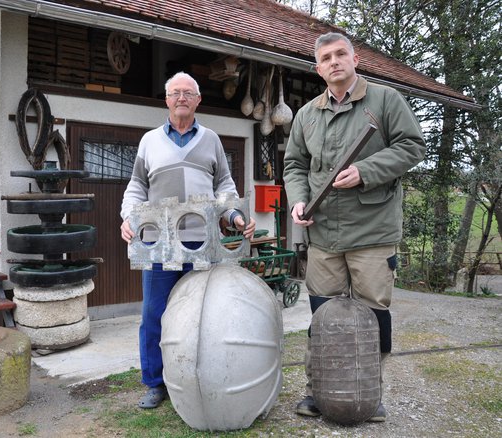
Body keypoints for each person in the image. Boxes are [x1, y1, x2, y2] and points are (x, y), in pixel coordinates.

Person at [283, 32, 426, 422]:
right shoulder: (307, 114)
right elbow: (294, 164)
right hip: (324, 232)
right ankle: (316, 392)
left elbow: (413, 146)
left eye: (340, 54)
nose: (334, 61)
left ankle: (370, 393)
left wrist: (365, 171)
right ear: (318, 68)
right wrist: (297, 200)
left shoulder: (384, 101)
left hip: (372, 231)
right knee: (322, 314)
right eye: (326, 57)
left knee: (372, 314)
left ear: (355, 59)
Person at [120, 72, 256, 409]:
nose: (181, 97)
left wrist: (235, 217)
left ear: (198, 100)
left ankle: (200, 375)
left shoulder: (211, 139)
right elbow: (137, 186)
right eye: (175, 92)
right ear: (166, 99)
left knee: (203, 314)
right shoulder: (149, 141)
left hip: (201, 243)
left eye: (188, 93)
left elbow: (224, 186)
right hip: (158, 243)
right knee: (155, 314)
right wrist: (128, 217)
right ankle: (154, 382)